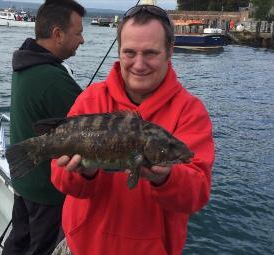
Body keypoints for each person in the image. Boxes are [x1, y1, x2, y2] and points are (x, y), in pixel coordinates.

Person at [51, 4, 215, 255]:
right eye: (129, 53)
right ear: (119, 51)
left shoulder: (190, 111)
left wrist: (166, 177)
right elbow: (61, 179)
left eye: (150, 53)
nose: (139, 64)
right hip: (83, 247)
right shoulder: (91, 100)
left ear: (169, 51)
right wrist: (85, 172)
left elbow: (197, 194)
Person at [2, 1, 85, 254]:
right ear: (58, 34)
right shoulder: (51, 78)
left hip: (24, 180)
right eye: (78, 32)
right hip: (46, 191)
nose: (82, 40)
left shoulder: (25, 65)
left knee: (18, 243)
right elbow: (89, 124)